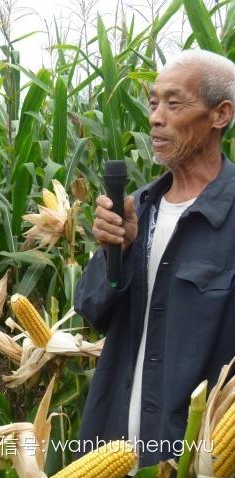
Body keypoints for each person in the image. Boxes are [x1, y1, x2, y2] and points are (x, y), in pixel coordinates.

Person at [75, 49, 235, 468]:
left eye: (174, 103)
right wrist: (119, 250)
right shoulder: (139, 207)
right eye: (152, 103)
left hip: (196, 455)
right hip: (114, 448)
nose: (155, 118)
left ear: (220, 115)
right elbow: (92, 309)